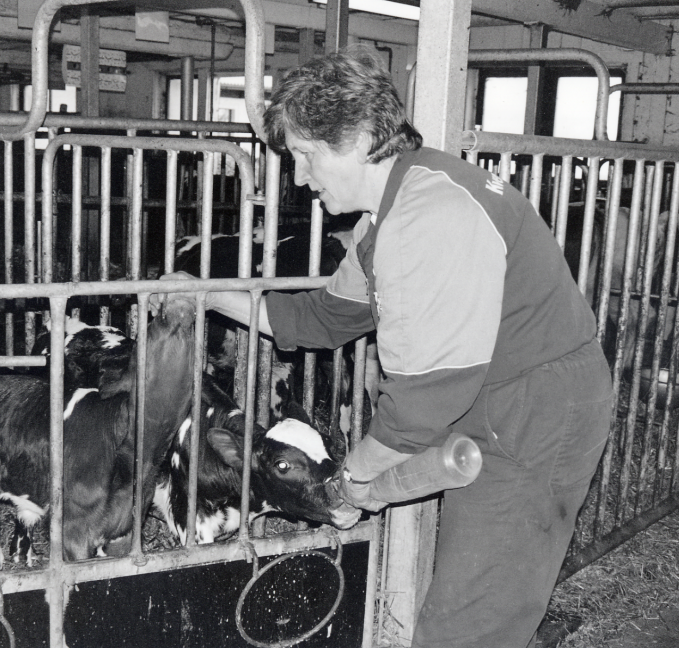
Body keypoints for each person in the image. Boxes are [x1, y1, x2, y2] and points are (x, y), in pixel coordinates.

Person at [152, 49, 613, 648]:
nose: (297, 177)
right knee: (475, 599)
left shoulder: (430, 216)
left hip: (532, 412)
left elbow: (421, 403)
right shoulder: (390, 216)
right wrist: (209, 294)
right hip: (493, 404)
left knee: (466, 626)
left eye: (304, 155)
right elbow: (322, 318)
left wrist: (348, 487)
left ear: (363, 137)